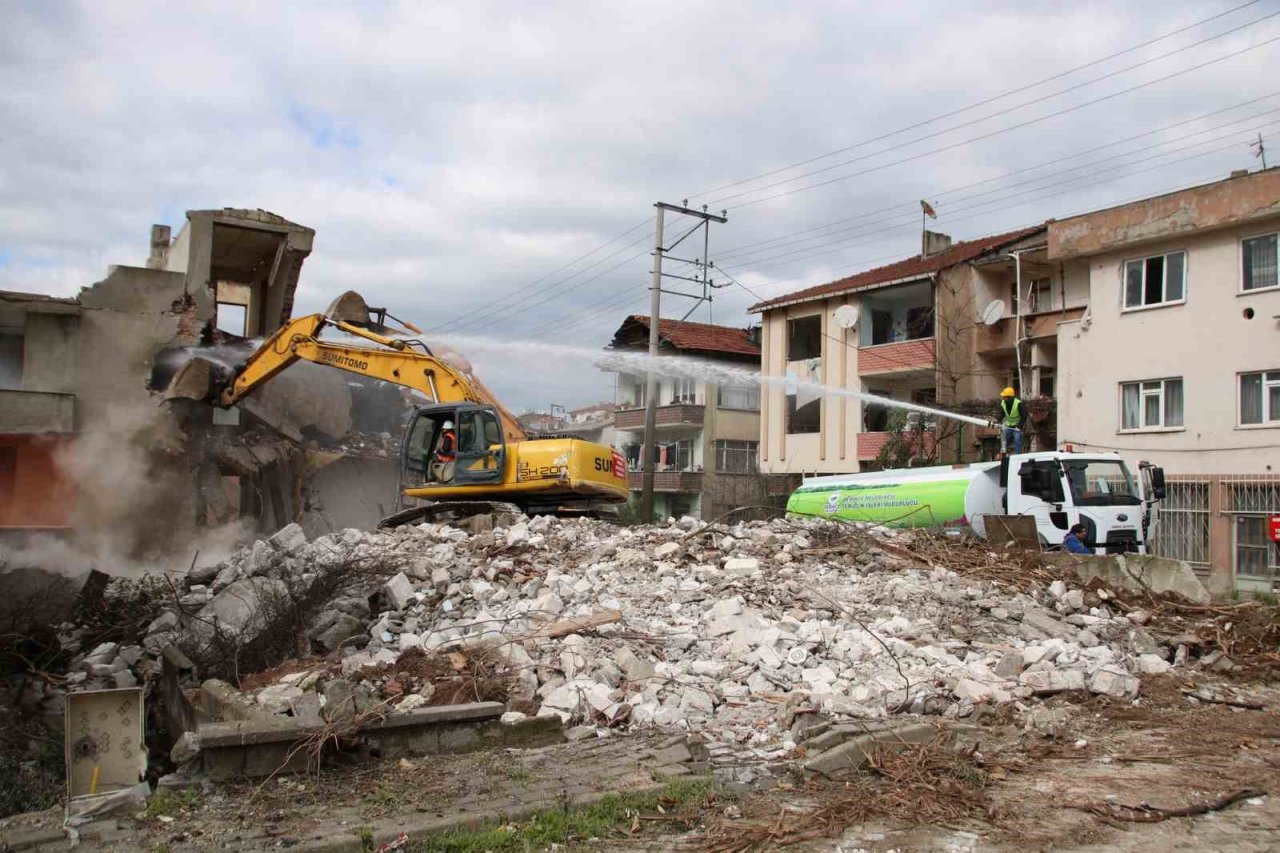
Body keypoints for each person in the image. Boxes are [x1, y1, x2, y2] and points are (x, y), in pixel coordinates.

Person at [998, 387, 1025, 454]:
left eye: (1005, 397)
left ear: (1010, 397)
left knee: (1017, 439)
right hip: (1008, 425)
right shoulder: (1003, 403)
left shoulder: (1018, 404)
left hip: (1017, 426)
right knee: (1004, 439)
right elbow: (1002, 414)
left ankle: (1017, 456)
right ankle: (1005, 453)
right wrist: (998, 421)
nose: (1003, 398)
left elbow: (1024, 416)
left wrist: (1019, 426)